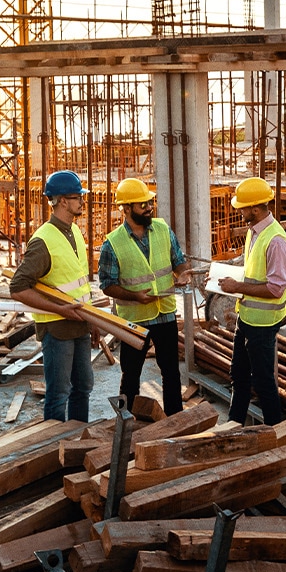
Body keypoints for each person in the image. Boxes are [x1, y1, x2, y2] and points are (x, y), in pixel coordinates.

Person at [9, 170, 99, 422]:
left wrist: (92, 320)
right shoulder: (43, 240)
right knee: (59, 393)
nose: (82, 201)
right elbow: (18, 288)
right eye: (77, 197)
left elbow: (79, 283)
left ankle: (77, 437)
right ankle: (54, 442)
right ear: (62, 201)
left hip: (80, 323)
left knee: (83, 388)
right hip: (57, 328)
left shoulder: (74, 231)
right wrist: (60, 310)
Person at [98, 178, 190, 417]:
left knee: (171, 373)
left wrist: (182, 273)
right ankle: (126, 422)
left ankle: (175, 421)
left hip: (164, 314)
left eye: (150, 202)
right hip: (134, 319)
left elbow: (178, 261)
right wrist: (134, 296)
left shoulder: (162, 229)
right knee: (130, 375)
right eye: (143, 204)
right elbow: (107, 285)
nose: (149, 207)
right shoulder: (112, 243)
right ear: (127, 208)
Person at [216, 175, 286, 424]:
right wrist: (224, 277)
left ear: (256, 209)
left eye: (243, 207)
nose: (239, 211)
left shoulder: (276, 241)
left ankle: (276, 432)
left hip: (263, 323)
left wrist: (237, 286)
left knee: (263, 382)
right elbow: (252, 271)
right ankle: (234, 425)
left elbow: (276, 289)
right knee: (238, 375)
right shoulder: (254, 231)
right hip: (247, 317)